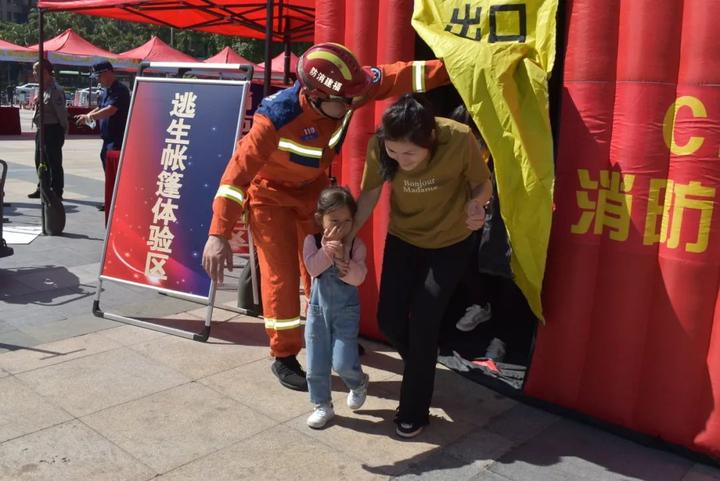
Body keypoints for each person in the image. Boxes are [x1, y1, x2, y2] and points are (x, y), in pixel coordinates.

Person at [202, 42, 450, 392]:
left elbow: (400, 75)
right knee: (281, 275)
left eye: (353, 98)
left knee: (325, 266)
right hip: (270, 198)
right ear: (314, 96)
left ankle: (331, 336)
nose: (352, 105)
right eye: (343, 102)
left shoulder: (348, 88)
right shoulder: (274, 118)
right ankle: (284, 354)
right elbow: (235, 178)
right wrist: (218, 234)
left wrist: (455, 68)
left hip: (314, 192)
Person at [348, 95, 492, 438]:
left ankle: (414, 410)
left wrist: (477, 204)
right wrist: (347, 237)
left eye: (409, 153)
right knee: (389, 320)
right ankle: (421, 362)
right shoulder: (380, 144)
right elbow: (370, 194)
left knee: (425, 321)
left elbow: (482, 183)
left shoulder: (458, 138)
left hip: (451, 242)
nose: (401, 160)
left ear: (431, 139)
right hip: (404, 238)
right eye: (394, 152)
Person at [303, 186, 369, 428]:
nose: (340, 227)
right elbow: (313, 268)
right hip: (318, 312)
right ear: (320, 219)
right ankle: (322, 405)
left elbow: (358, 278)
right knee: (316, 363)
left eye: (346, 221)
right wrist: (329, 250)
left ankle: (358, 382)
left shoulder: (356, 245)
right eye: (334, 221)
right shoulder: (311, 242)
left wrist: (343, 258)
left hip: (346, 312)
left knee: (342, 361)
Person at [74, 61, 130, 211]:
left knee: (116, 172)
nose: (98, 80)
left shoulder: (120, 90)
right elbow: (100, 107)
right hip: (107, 138)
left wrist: (89, 117)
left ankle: (119, 202)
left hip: (118, 139)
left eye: (99, 76)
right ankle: (111, 200)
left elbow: (111, 110)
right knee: (109, 171)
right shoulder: (106, 91)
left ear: (107, 73)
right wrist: (87, 115)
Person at [28, 59, 68, 200]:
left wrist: (62, 131)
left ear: (45, 72)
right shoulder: (41, 88)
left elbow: (61, 114)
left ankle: (56, 191)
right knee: (39, 160)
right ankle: (42, 188)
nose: (34, 73)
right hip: (42, 129)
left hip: (53, 130)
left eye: (36, 70)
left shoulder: (55, 90)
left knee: (53, 162)